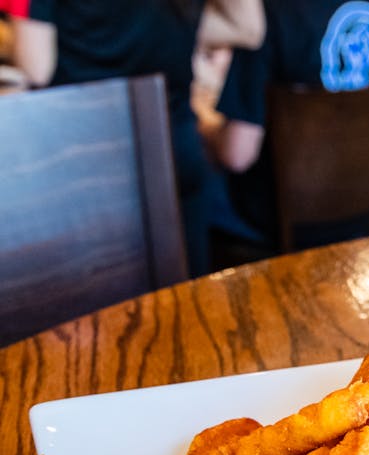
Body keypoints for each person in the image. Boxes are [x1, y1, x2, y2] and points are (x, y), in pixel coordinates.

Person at [5, 0, 265, 275]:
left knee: (91, 290)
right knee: (186, 288)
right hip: (172, 147)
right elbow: (246, 29)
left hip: (81, 158)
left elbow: (37, 67)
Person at [208, 0, 369, 251]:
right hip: (367, 210)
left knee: (194, 180)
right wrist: (354, 146)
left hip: (278, 221)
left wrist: (206, 134)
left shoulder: (263, 18)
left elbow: (237, 155)